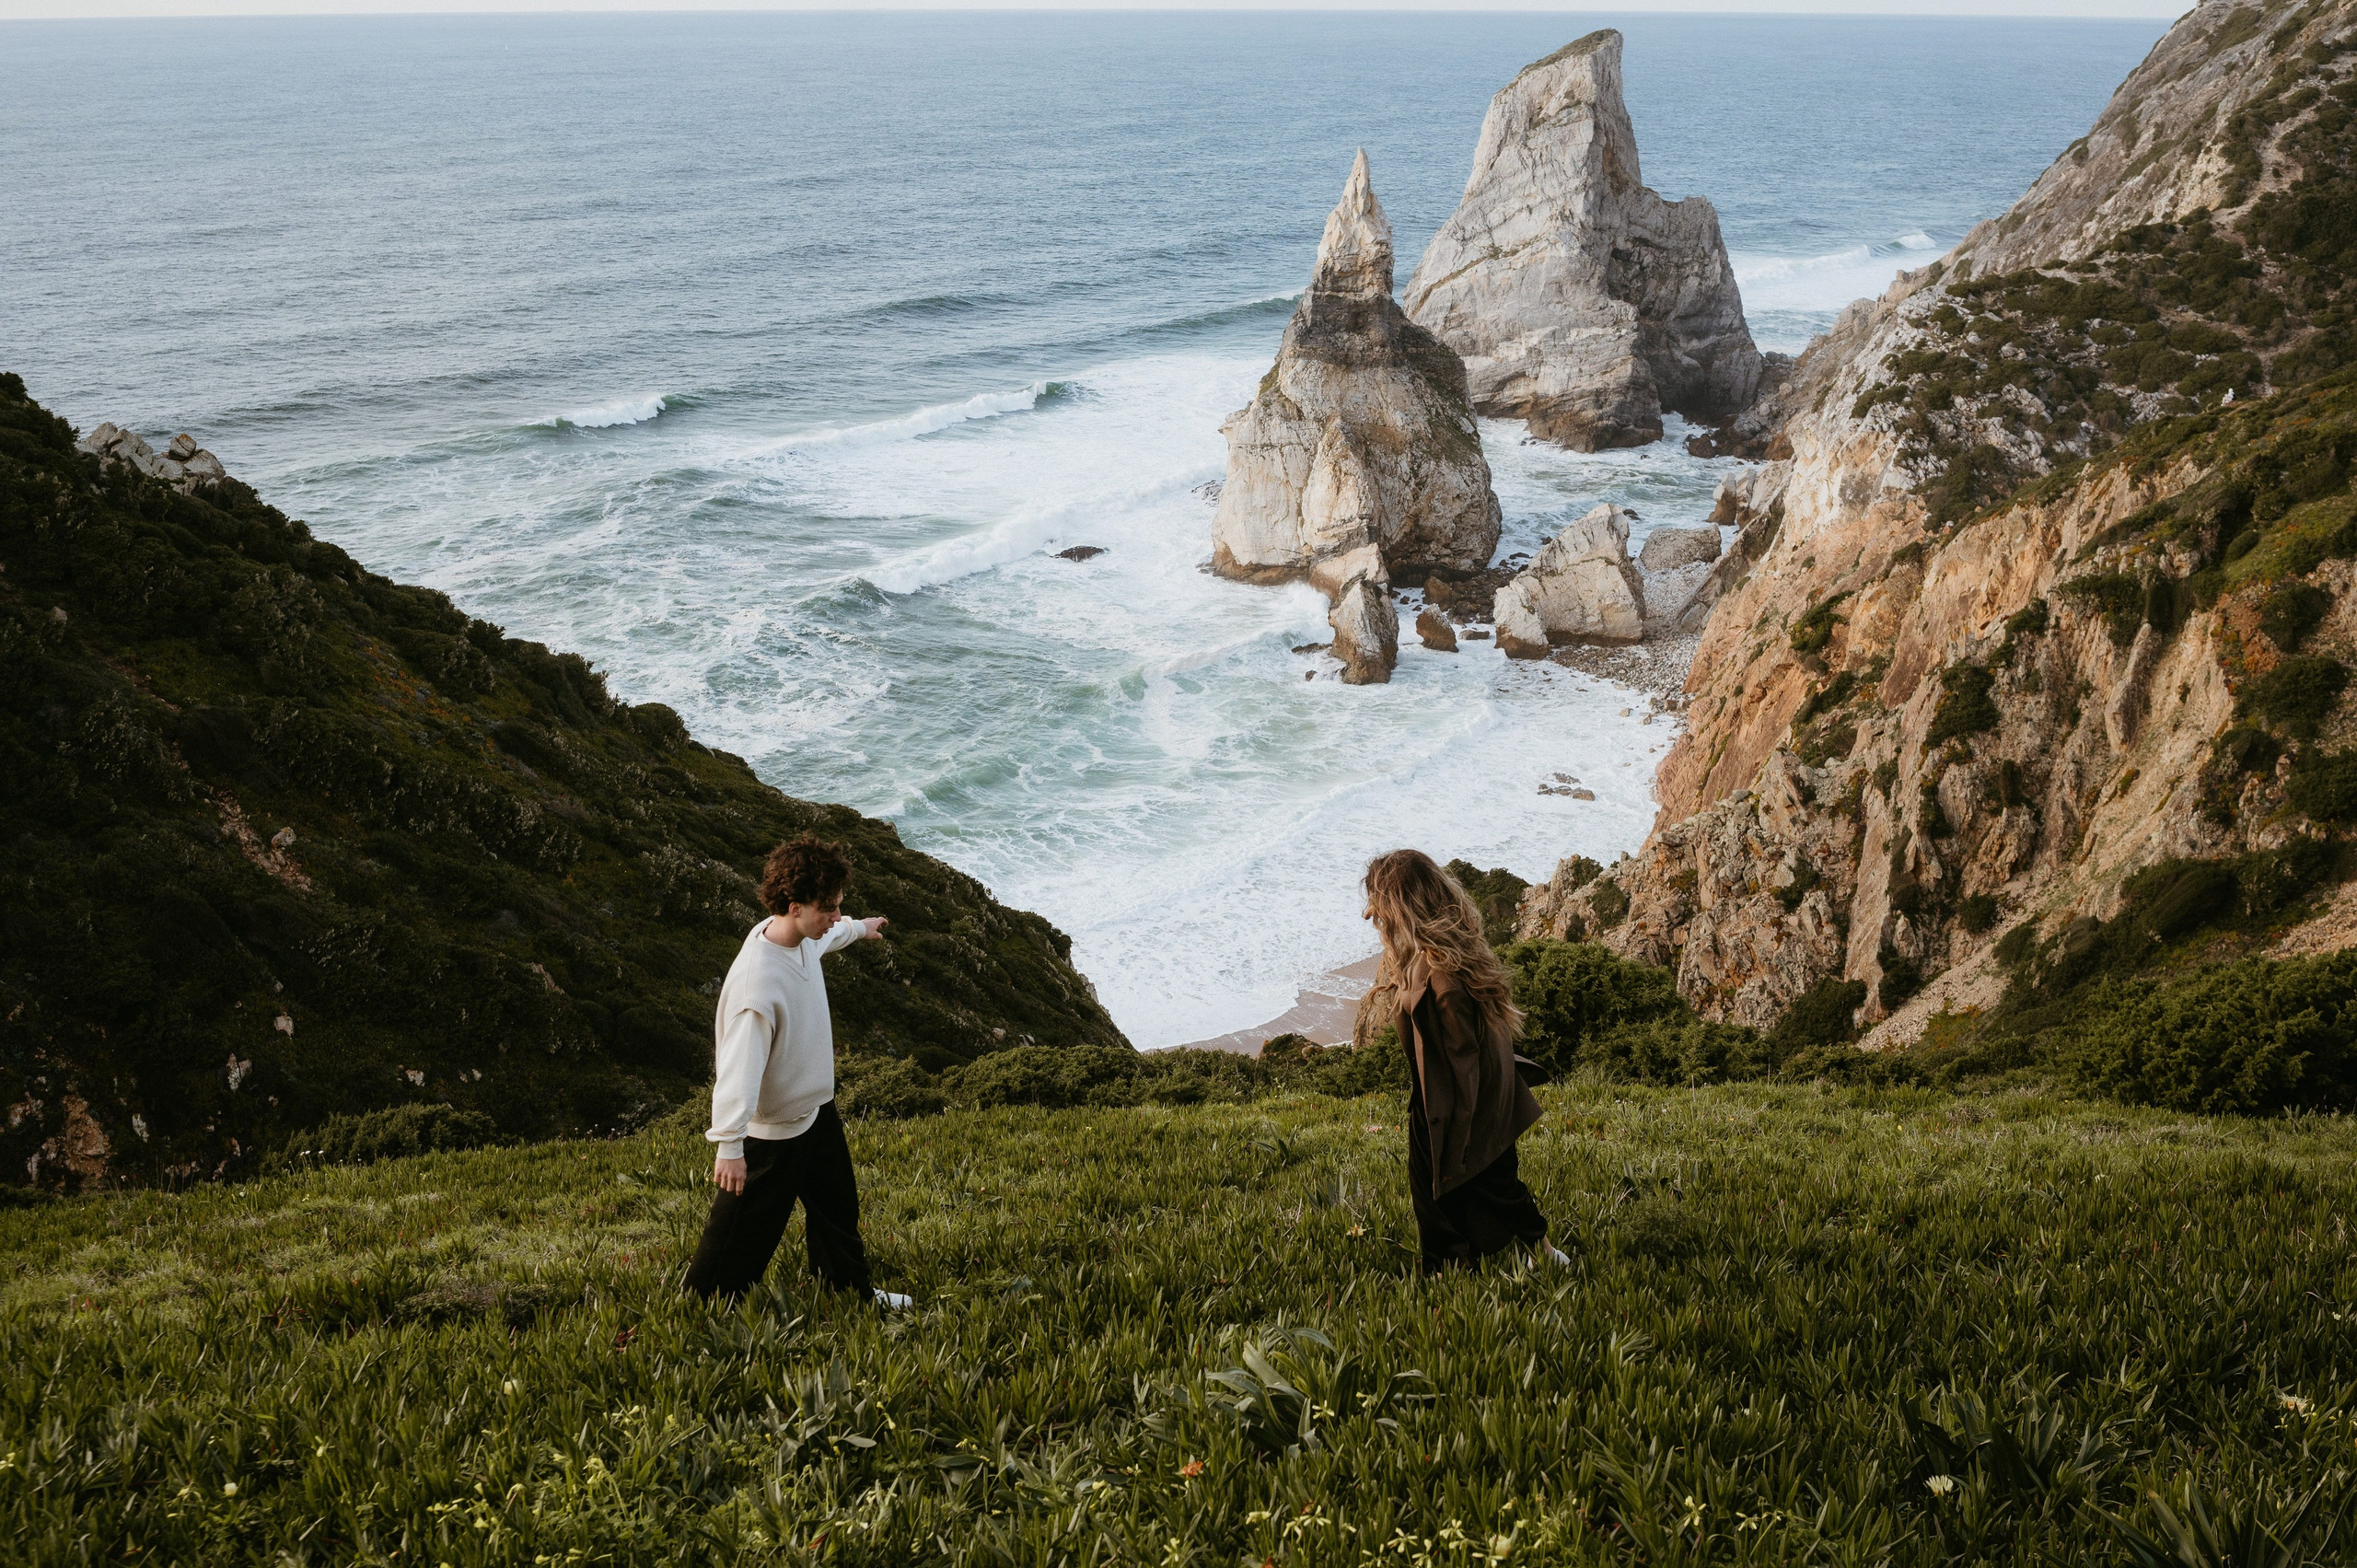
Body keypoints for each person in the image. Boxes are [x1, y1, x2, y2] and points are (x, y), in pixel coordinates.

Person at [684, 832, 911, 1308]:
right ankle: (699, 1310)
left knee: (837, 1213)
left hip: (816, 1114)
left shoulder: (801, 936)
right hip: (773, 1137)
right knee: (741, 1236)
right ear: (793, 906)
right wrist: (729, 1145)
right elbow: (736, 1069)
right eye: (828, 907)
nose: (835, 915)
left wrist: (860, 928)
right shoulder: (757, 985)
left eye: (838, 905)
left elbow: (828, 938)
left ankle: (852, 1295)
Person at [1364, 849, 1567, 1273]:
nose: (1375, 917)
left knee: (1491, 1183)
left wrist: (1460, 1128)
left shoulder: (1443, 974)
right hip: (1437, 1098)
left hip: (1457, 1103)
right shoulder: (1436, 953)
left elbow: (1464, 1059)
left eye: (1380, 907)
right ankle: (1452, 1267)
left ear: (1403, 905)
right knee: (1442, 1190)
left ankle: (1537, 1252)